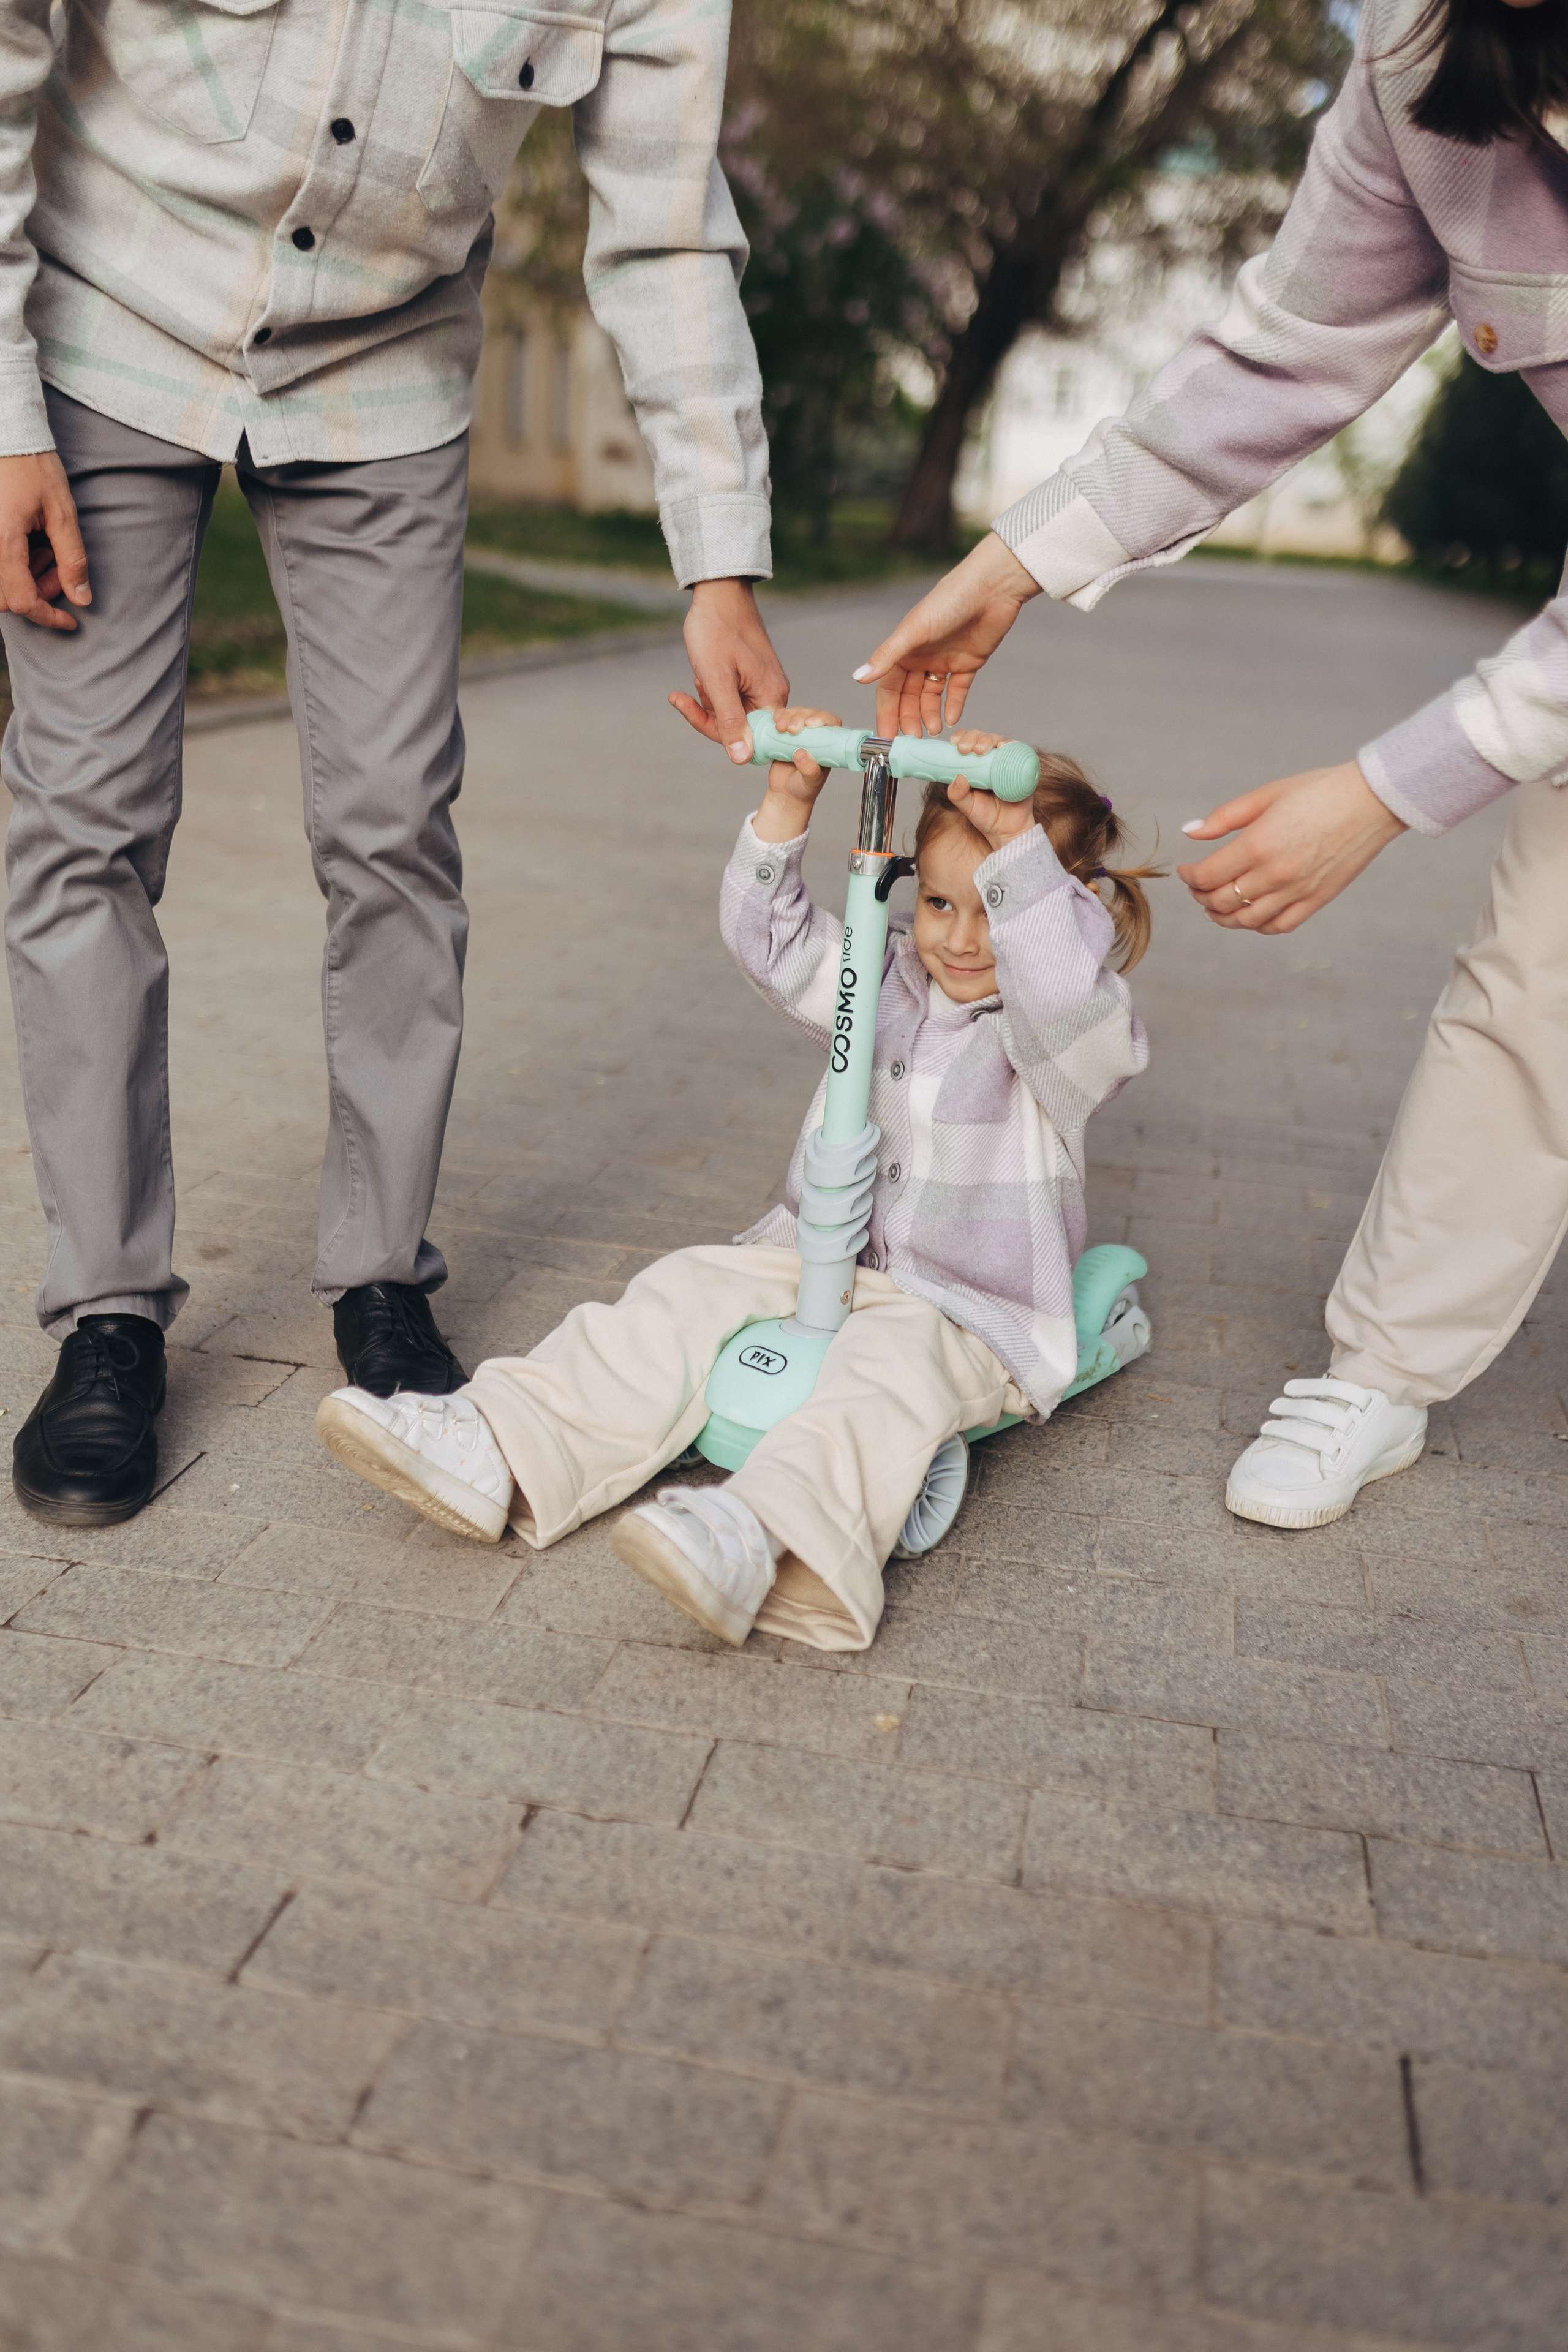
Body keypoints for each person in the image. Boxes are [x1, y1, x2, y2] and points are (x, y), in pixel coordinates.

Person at [0, 0, 789, 1529]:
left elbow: (667, 233)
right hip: (104, 323)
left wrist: (718, 563)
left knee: (392, 827)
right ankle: (105, 1313)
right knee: (84, 822)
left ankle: (380, 1278)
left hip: (385, 372)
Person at [852, 0, 1568, 1530]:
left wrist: (1381, 792)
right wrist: (1014, 561)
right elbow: (1285, 346)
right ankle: (1385, 1367)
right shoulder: (1415, 53)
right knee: (1537, 984)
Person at [314, 707, 1155, 1651]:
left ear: (1061, 912)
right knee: (682, 1289)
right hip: (816, 1256)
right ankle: (502, 1443)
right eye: (937, 903)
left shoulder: (1066, 1040)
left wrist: (1020, 858)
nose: (960, 940)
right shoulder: (884, 976)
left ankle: (764, 1537)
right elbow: (774, 946)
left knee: (889, 1380)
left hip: (959, 1305)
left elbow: (1059, 992)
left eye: (995, 910)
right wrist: (787, 803)